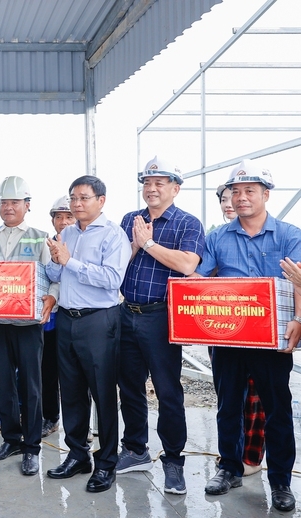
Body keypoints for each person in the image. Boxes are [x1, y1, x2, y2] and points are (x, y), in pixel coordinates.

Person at [195, 160, 301, 513]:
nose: (241, 198)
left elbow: (299, 280)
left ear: (266, 195)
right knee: (228, 406)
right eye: (235, 192)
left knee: (277, 410)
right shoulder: (217, 237)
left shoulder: (289, 234)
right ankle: (229, 468)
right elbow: (200, 277)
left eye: (250, 191)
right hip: (228, 336)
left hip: (272, 340)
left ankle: (282, 481)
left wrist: (299, 319)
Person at [115, 157, 204, 494]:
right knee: (130, 387)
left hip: (162, 317)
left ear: (175, 188)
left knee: (167, 391)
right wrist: (137, 242)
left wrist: (150, 244)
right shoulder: (130, 220)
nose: (151, 188)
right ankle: (136, 449)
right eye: (147, 182)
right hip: (127, 313)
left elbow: (186, 264)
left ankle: (173, 459)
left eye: (160, 182)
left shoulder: (187, 224)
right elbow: (118, 262)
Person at [45, 175, 131, 493]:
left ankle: (106, 463)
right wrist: (56, 261)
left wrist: (71, 261)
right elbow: (56, 272)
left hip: (99, 322)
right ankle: (78, 455)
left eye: (83, 198)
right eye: (73, 198)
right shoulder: (66, 232)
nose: (77, 204)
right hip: (67, 320)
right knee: (71, 392)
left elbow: (111, 279)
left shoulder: (113, 235)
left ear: (101, 200)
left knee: (103, 395)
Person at [0, 176, 56, 476]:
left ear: (27, 205)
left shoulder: (39, 236)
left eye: (14, 202)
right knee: (5, 383)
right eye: (3, 203)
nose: (8, 208)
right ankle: (10, 439)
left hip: (28, 323)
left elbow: (53, 277)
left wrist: (52, 299)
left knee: (31, 386)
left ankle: (32, 447)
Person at [214, 183, 266, 478]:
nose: (231, 202)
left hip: (260, 329)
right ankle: (229, 459)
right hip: (225, 330)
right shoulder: (217, 239)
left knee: (257, 398)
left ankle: (253, 457)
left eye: (235, 197)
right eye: (226, 198)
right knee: (229, 397)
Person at [41, 195, 75, 438]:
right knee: (48, 369)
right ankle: (50, 417)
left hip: (80, 315)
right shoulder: (47, 243)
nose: (63, 221)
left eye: (68, 216)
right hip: (54, 314)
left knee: (77, 372)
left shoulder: (83, 241)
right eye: (58, 217)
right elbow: (51, 277)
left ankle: (81, 425)